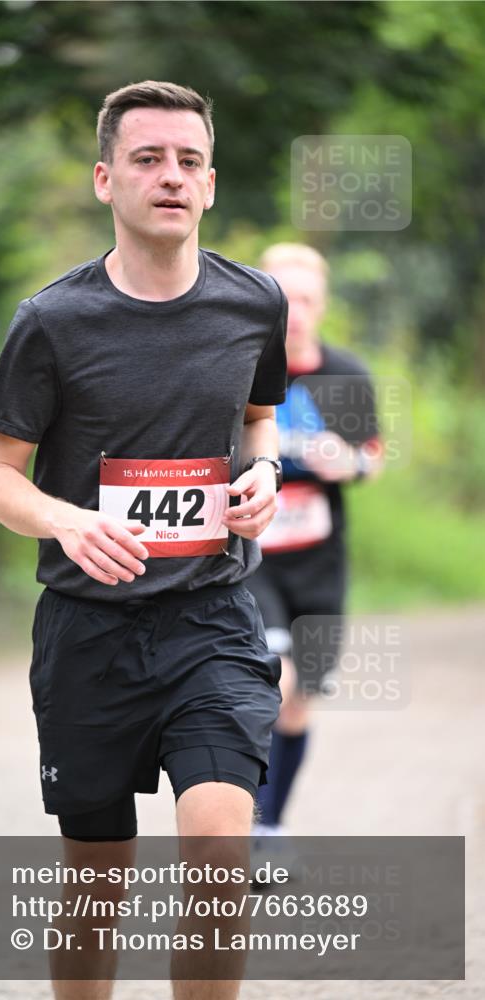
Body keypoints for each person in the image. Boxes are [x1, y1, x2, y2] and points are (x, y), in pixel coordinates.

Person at [0, 81, 287, 1000]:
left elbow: (259, 419)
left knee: (220, 854)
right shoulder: (51, 321)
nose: (170, 176)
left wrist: (262, 474)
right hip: (88, 635)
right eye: (148, 158)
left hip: (211, 620)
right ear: (105, 179)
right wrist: (69, 520)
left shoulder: (253, 303)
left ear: (212, 182)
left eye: (188, 160)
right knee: (96, 884)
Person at [246, 243, 384, 839]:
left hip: (319, 562)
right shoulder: (241, 369)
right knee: (273, 682)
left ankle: (270, 823)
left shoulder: (346, 376)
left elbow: (373, 458)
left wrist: (346, 462)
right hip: (253, 561)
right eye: (283, 298)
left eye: (305, 299)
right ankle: (252, 828)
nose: (294, 312)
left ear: (322, 305)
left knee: (301, 699)